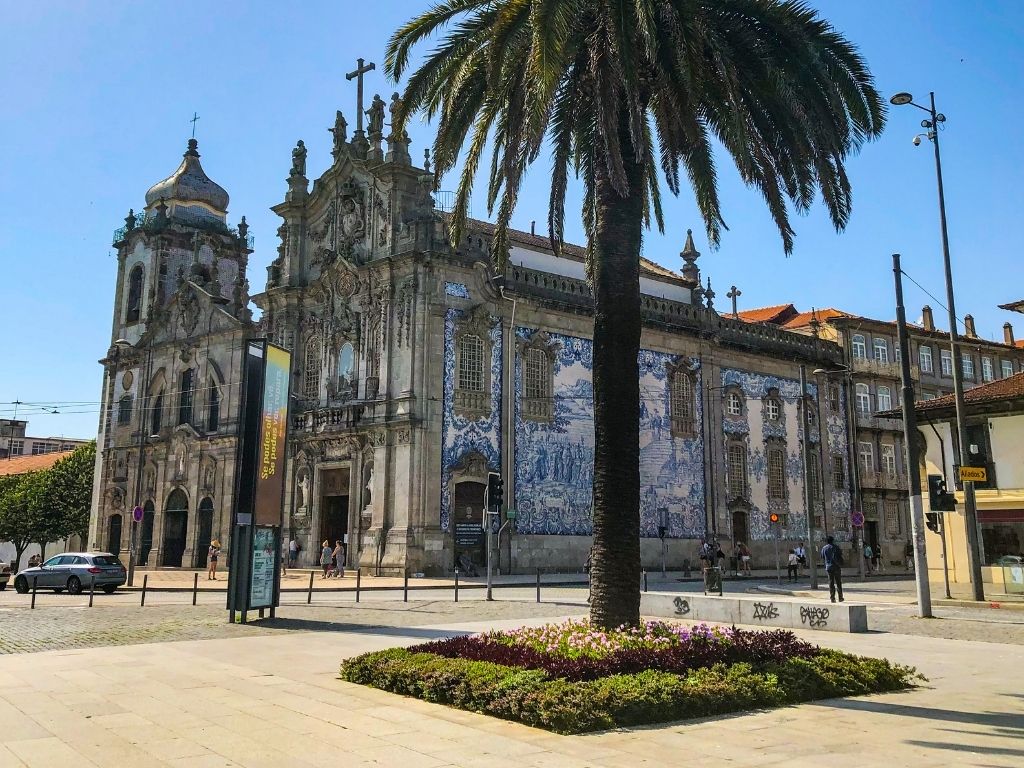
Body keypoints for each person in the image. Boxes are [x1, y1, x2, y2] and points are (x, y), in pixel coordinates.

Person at [821, 535, 845, 603]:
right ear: (833, 540)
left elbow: (822, 556)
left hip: (828, 567)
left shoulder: (824, 548)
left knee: (831, 583)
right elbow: (840, 555)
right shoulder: (836, 547)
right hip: (836, 566)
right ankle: (840, 597)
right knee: (838, 582)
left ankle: (832, 598)